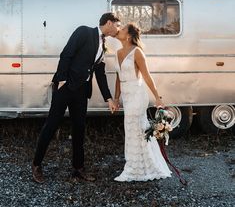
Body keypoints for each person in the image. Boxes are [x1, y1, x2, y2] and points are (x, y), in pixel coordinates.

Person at [32, 12, 121, 184]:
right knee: (51, 125)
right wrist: (62, 79)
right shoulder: (84, 32)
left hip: (81, 92)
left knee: (79, 129)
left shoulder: (103, 46)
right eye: (117, 25)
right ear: (109, 22)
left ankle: (78, 168)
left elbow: (100, 74)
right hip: (65, 88)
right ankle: (36, 165)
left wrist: (108, 98)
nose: (118, 29)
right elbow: (66, 54)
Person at [113, 23, 171, 182]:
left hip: (137, 95)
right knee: (131, 130)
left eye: (123, 29)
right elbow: (118, 79)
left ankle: (138, 167)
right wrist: (116, 98)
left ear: (130, 36)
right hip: (126, 95)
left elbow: (147, 76)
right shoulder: (117, 53)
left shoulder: (137, 52)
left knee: (137, 129)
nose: (119, 30)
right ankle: (137, 164)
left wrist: (158, 98)